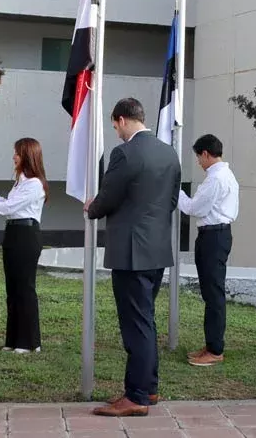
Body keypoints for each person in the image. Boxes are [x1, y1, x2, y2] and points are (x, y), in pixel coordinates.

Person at [86, 98, 180, 417]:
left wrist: (92, 208)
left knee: (136, 325)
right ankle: (148, 388)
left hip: (130, 251)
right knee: (146, 321)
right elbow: (169, 201)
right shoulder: (169, 152)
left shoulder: (124, 153)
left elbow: (109, 194)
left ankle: (137, 396)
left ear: (123, 119)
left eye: (114, 125)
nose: (115, 131)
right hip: (156, 249)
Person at [0, 137, 48, 354]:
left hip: (26, 235)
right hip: (14, 233)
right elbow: (9, 205)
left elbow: (10, 208)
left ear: (27, 156)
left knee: (24, 288)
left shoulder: (34, 184)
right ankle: (13, 340)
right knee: (12, 289)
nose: (14, 156)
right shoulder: (21, 182)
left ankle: (29, 342)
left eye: (18, 153)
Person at [178, 133, 239, 367]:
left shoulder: (217, 178)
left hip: (214, 236)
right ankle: (211, 343)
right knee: (210, 293)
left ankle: (215, 349)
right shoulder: (223, 174)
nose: (198, 162)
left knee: (213, 294)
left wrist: (177, 194)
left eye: (198, 157)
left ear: (205, 153)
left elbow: (196, 208)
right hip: (214, 235)